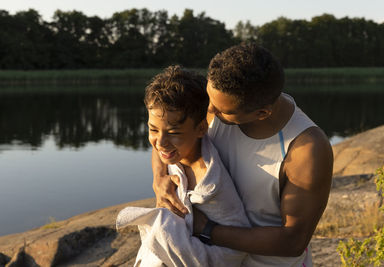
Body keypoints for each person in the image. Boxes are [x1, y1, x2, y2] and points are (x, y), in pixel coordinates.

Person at [152, 44, 333, 266]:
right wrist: (160, 178)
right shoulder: (218, 98)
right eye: (209, 100)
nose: (209, 110)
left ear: (262, 113)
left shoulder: (307, 148)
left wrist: (206, 228)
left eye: (221, 111)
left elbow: (293, 240)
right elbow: (166, 133)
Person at [116, 65, 250, 266]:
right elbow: (159, 149)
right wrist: (159, 177)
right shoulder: (179, 150)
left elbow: (235, 250)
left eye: (174, 133)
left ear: (201, 128)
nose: (160, 142)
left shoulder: (211, 185)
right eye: (153, 129)